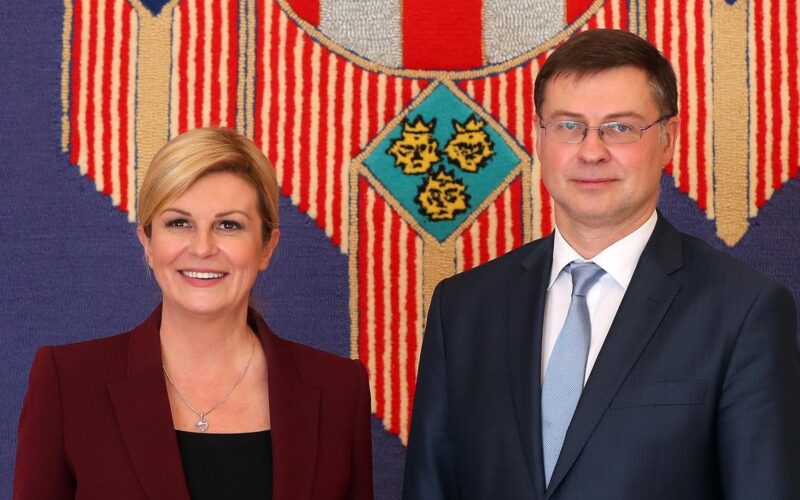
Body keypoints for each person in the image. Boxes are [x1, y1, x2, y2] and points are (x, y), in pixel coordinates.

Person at [403, 29, 800, 499]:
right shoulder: (462, 308)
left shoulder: (744, 311)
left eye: (620, 128)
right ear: (539, 138)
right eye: (569, 126)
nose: (591, 151)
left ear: (668, 139)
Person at [14, 127, 374, 499]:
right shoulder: (68, 384)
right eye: (179, 223)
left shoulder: (340, 391)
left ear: (267, 247)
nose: (202, 248)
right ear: (147, 242)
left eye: (229, 225)